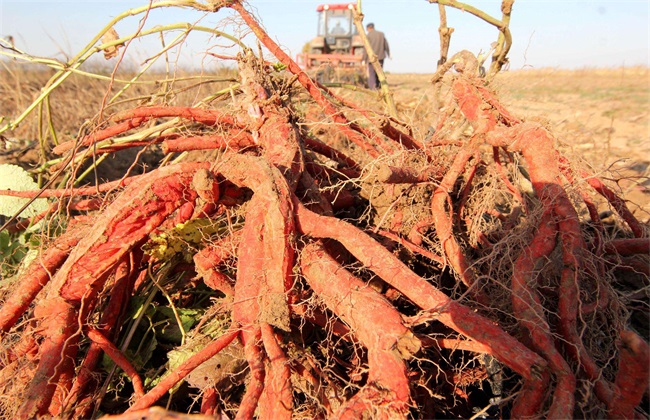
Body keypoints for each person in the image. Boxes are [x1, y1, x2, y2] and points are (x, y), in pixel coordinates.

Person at [362, 23, 390, 90]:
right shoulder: (381, 34)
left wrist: (364, 59)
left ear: (368, 28)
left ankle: (373, 88)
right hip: (381, 56)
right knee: (379, 72)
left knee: (372, 73)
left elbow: (366, 48)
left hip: (371, 58)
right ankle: (379, 86)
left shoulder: (368, 35)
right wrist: (388, 54)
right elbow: (386, 45)